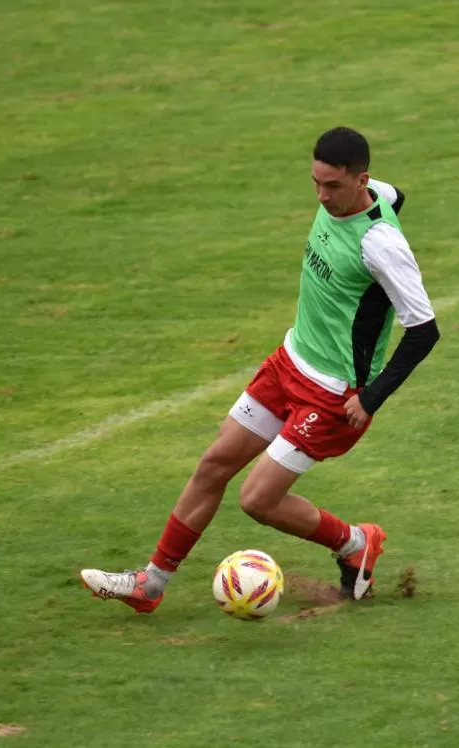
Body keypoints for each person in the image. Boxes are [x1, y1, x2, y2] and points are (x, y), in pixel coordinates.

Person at [81, 126, 440, 612]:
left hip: (332, 394)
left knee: (257, 500)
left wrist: (370, 397)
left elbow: (424, 329)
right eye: (315, 182)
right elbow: (399, 196)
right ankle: (151, 585)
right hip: (288, 362)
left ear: (362, 181)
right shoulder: (375, 194)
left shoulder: (382, 245)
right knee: (214, 465)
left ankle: (355, 543)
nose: (321, 195)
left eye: (333, 186)